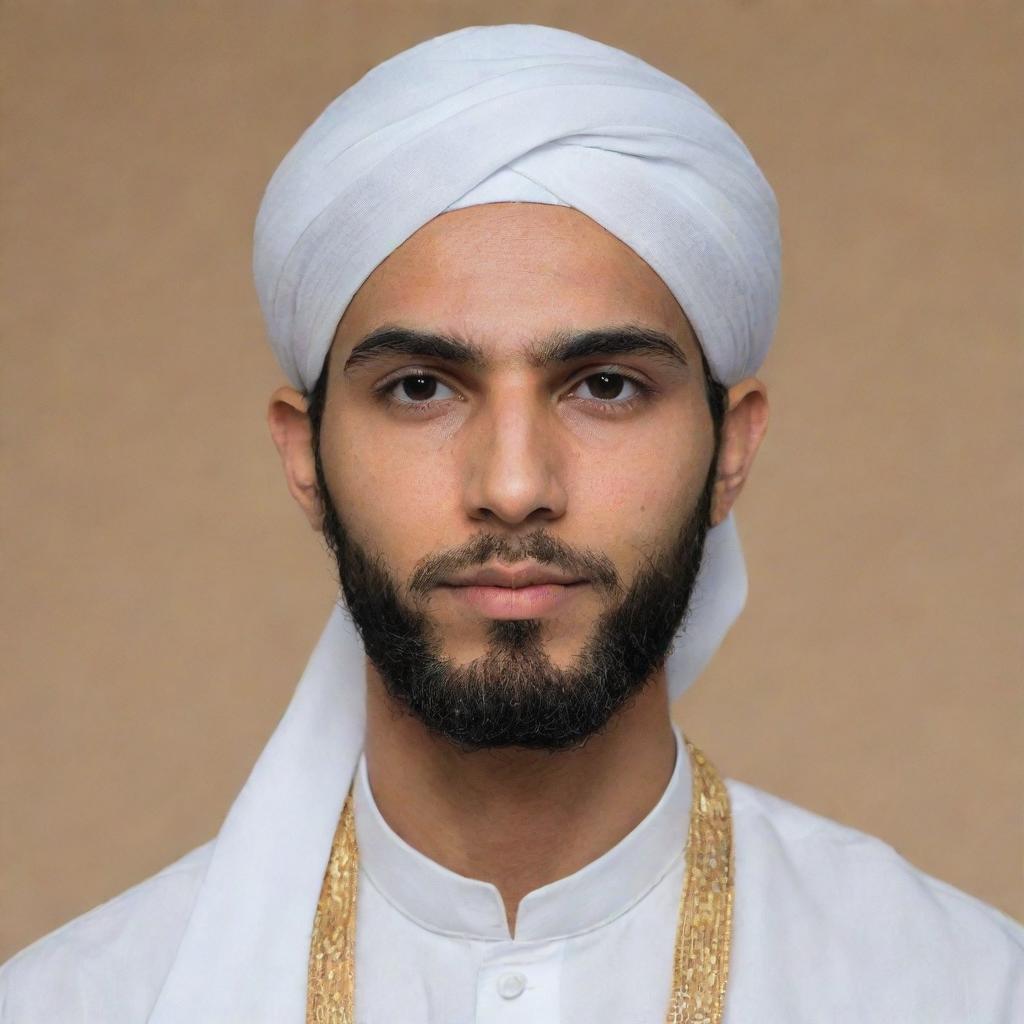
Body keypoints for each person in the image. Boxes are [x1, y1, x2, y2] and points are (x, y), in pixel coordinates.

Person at [1, 23, 1020, 1024]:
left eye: (606, 386)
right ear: (304, 454)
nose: (515, 482)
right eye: (418, 389)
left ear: (732, 446)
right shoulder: (82, 1000)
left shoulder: (960, 989)